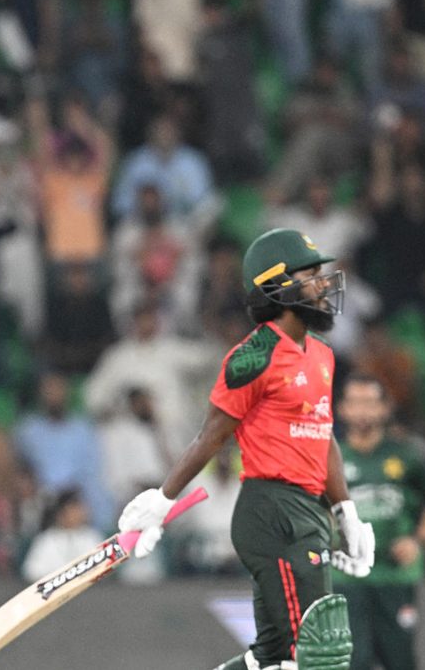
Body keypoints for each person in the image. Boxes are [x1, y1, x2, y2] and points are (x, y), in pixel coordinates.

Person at [117, 228, 376, 670]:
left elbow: (322, 434)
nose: (322, 284)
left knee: (271, 658)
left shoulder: (323, 356)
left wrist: (345, 512)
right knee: (315, 653)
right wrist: (162, 501)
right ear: (277, 285)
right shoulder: (252, 357)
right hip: (271, 511)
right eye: (310, 274)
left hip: (308, 511)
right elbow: (212, 436)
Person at [333, 374, 425, 670]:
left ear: (385, 409)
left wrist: (417, 541)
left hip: (395, 577)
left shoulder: (408, 453)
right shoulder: (328, 457)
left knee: (400, 662)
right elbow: (311, 507)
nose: (362, 411)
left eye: (370, 403)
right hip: (346, 579)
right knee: (352, 662)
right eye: (355, 402)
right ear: (341, 409)